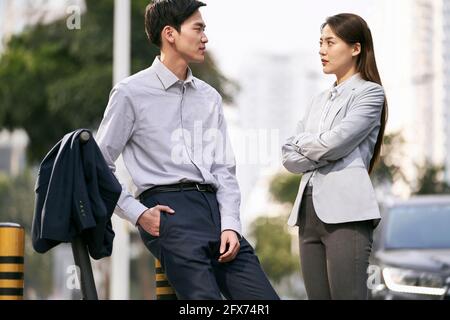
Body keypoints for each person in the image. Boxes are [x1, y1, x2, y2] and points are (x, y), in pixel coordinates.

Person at [96, 0, 278, 300]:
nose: (205, 37)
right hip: (169, 210)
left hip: (215, 212)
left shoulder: (209, 97)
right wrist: (138, 214)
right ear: (170, 34)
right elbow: (100, 164)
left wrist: (231, 225)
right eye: (198, 28)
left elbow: (223, 169)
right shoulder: (130, 93)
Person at [282, 13, 388, 300]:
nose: (321, 50)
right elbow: (288, 156)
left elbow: (335, 144)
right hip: (308, 212)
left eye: (330, 42)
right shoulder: (317, 100)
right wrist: (321, 147)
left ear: (356, 48)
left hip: (348, 213)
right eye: (320, 42)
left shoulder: (370, 94)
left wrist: (309, 145)